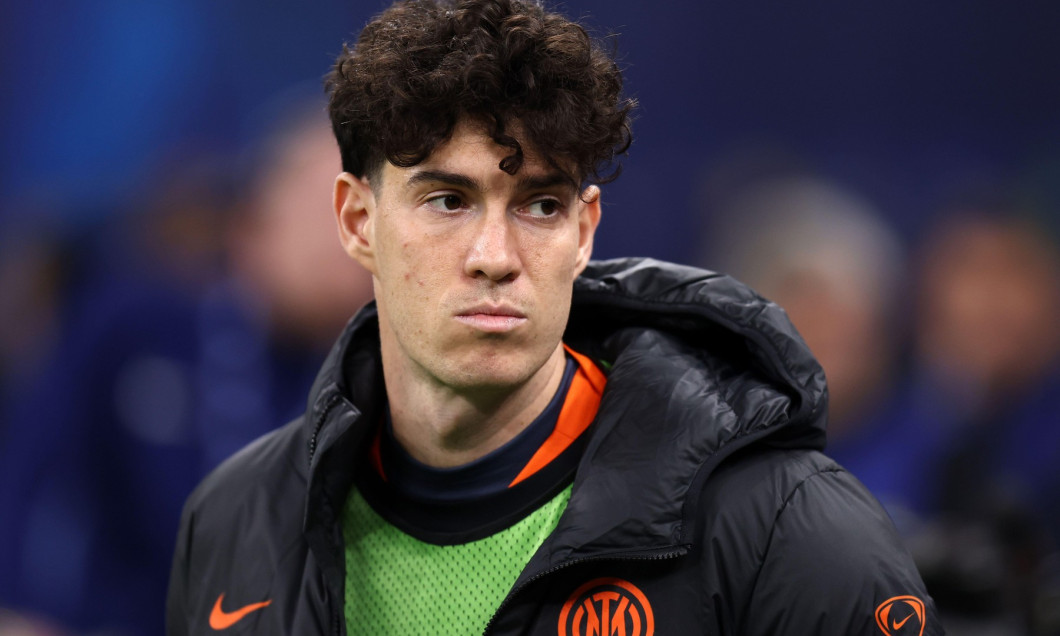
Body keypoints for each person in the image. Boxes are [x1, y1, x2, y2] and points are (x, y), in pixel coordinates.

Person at [166, 1, 943, 634]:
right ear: (357, 221)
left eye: (540, 205)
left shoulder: (780, 527)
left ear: (584, 231)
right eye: (448, 201)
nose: (495, 256)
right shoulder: (234, 522)